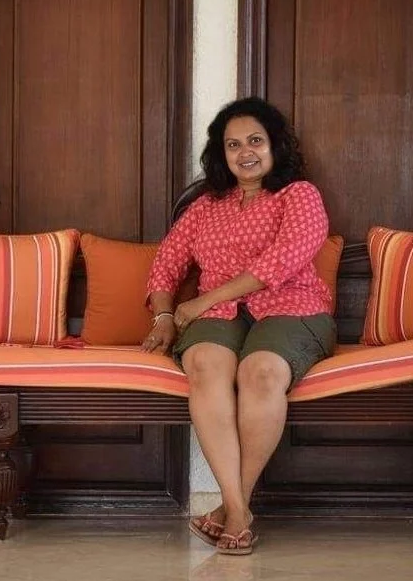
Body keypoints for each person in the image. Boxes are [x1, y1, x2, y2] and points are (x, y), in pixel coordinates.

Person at [143, 97, 336, 555]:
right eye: (233, 145)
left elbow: (283, 260)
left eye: (255, 141)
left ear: (275, 145)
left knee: (261, 372)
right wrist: (165, 314)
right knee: (205, 364)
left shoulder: (299, 195)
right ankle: (238, 510)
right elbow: (166, 263)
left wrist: (204, 300)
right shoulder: (205, 207)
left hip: (291, 306)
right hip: (219, 318)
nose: (245, 152)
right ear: (222, 153)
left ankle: (232, 508)